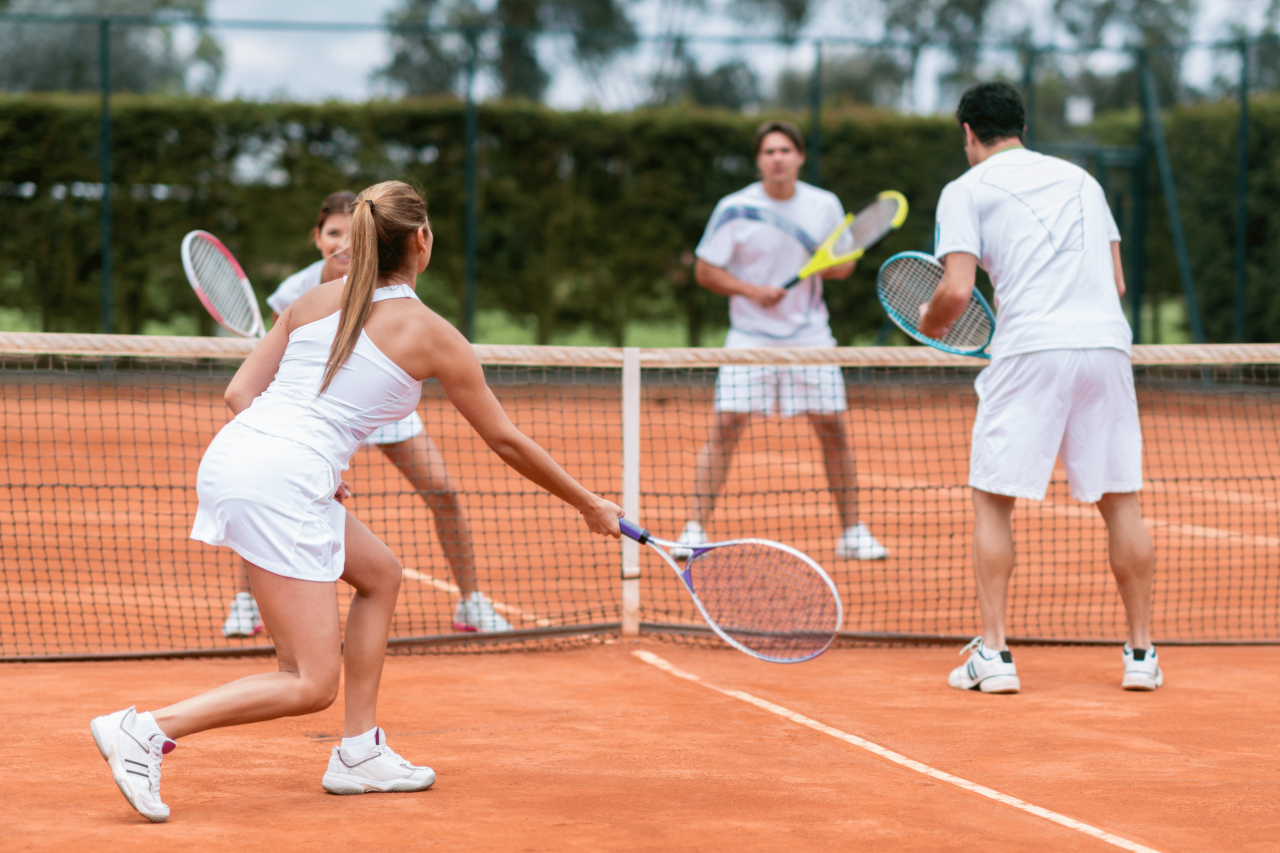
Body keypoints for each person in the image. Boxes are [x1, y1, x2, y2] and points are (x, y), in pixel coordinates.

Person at [91, 180, 623, 822]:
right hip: (278, 479)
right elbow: (505, 442)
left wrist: (316, 463)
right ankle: (145, 730)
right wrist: (590, 503)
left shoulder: (314, 300)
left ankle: (359, 751)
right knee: (308, 681)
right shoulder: (432, 334)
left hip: (248, 458)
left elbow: (238, 394)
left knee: (380, 575)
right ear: (422, 240)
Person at [918, 81, 1160, 694]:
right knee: (1121, 500)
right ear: (1021, 127)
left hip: (1030, 350)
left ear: (968, 133)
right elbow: (1117, 281)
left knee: (993, 500)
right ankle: (1141, 655)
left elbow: (954, 292)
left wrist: (925, 323)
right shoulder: (1083, 180)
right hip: (1106, 346)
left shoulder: (964, 189)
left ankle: (994, 654)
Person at [220, 190, 512, 640]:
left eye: (349, 233)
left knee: (444, 491)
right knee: (274, 497)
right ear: (317, 238)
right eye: (332, 233)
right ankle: (246, 602)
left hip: (382, 399)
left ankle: (472, 600)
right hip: (315, 413)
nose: (341, 243)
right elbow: (274, 371)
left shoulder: (394, 287)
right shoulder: (298, 293)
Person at [672, 120, 887, 562]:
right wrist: (753, 291)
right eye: (769, 151)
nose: (778, 158)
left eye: (786, 150)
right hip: (749, 336)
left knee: (834, 429)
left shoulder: (824, 205)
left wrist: (822, 265)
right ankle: (693, 530)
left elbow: (843, 266)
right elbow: (705, 270)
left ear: (800, 157)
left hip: (810, 335)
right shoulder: (734, 208)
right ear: (759, 160)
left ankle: (852, 532)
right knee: (726, 426)